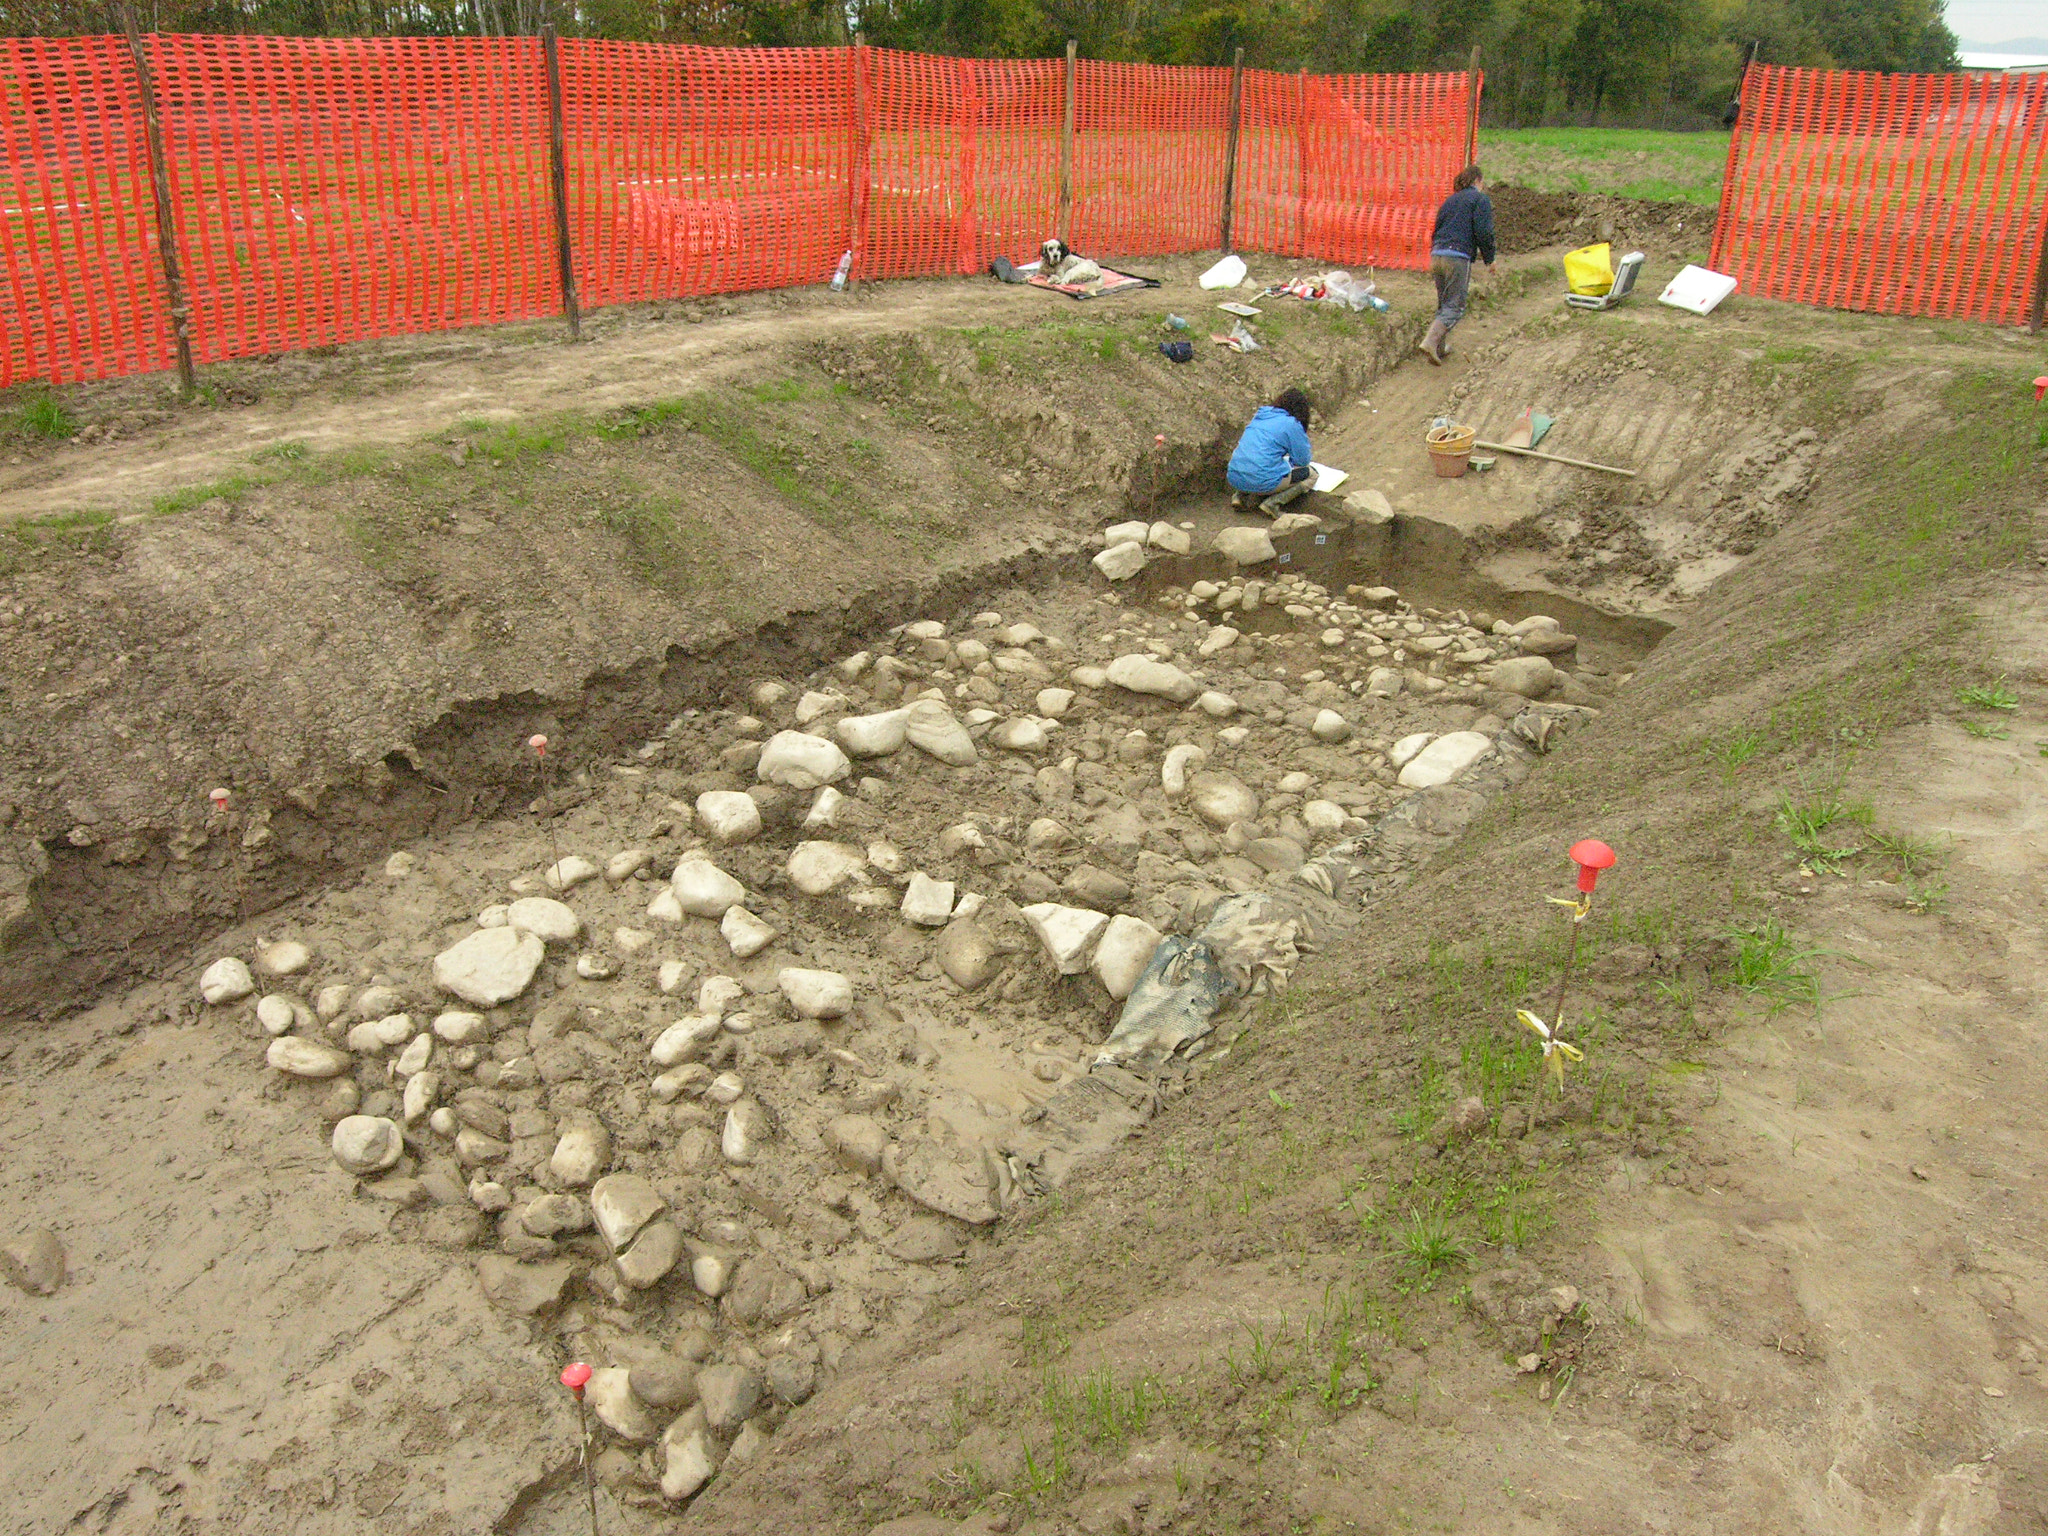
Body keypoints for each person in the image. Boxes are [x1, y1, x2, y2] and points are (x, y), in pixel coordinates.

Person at [1422, 164, 1496, 365]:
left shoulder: (1449, 201)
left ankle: (1439, 348)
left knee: (1444, 303)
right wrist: (1490, 258)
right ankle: (1430, 341)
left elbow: (1436, 228)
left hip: (1437, 254)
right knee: (1455, 306)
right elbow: (1484, 231)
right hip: (1457, 256)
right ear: (1478, 181)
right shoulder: (1480, 200)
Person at [1226, 387, 1315, 515]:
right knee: (1311, 474)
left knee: (1253, 461)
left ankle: (1239, 496)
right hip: (1262, 480)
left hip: (1234, 476)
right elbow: (1302, 460)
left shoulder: (1261, 415)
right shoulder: (1292, 424)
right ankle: (1273, 503)